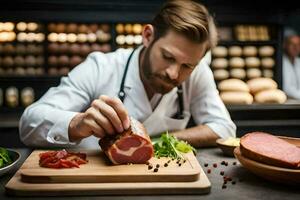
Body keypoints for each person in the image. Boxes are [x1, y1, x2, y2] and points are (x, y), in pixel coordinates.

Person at [19, 0, 236, 149]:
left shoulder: (197, 73)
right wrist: (78, 123)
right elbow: (29, 123)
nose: (174, 73)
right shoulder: (101, 67)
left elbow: (224, 128)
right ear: (148, 36)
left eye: (187, 66)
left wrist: (162, 141)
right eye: (168, 57)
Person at [282, 29, 300, 99]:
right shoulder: (281, 62)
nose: (295, 47)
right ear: (285, 45)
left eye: (298, 44)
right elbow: (287, 89)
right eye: (292, 44)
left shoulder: (298, 62)